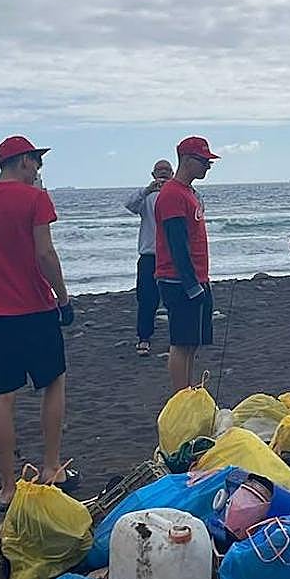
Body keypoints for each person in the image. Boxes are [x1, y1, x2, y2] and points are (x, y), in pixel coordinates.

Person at [0, 136, 78, 511]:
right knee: (53, 382)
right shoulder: (35, 198)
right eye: (37, 162)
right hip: (33, 308)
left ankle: (8, 486)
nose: (39, 169)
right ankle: (51, 467)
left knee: (1, 399)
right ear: (23, 161)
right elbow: (44, 252)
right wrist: (62, 297)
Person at [154, 136, 220, 391]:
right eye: (204, 161)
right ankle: (181, 396)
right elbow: (176, 243)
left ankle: (189, 391)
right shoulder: (171, 194)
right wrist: (192, 285)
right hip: (178, 280)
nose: (207, 167)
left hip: (197, 277)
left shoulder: (189, 193)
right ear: (187, 159)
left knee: (193, 342)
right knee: (181, 343)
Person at [124, 159, 173, 355]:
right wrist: (147, 190)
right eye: (159, 171)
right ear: (153, 175)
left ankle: (177, 340)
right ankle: (144, 338)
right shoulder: (146, 197)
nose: (163, 174)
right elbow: (129, 205)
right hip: (149, 255)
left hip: (172, 255)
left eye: (167, 170)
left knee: (174, 299)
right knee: (146, 299)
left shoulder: (178, 194)